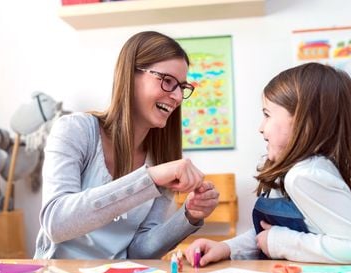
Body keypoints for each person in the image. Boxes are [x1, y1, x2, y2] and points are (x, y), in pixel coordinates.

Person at [34, 31, 219, 259]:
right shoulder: (76, 130)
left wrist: (188, 216)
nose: (178, 97)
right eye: (167, 81)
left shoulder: (160, 158)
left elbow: (139, 251)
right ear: (130, 76)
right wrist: (148, 179)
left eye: (182, 87)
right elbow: (56, 222)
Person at [185, 62, 351, 265]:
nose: (261, 128)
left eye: (267, 115)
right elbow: (269, 232)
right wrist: (226, 248)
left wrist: (280, 241)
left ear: (305, 122)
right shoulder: (292, 171)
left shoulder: (307, 175)